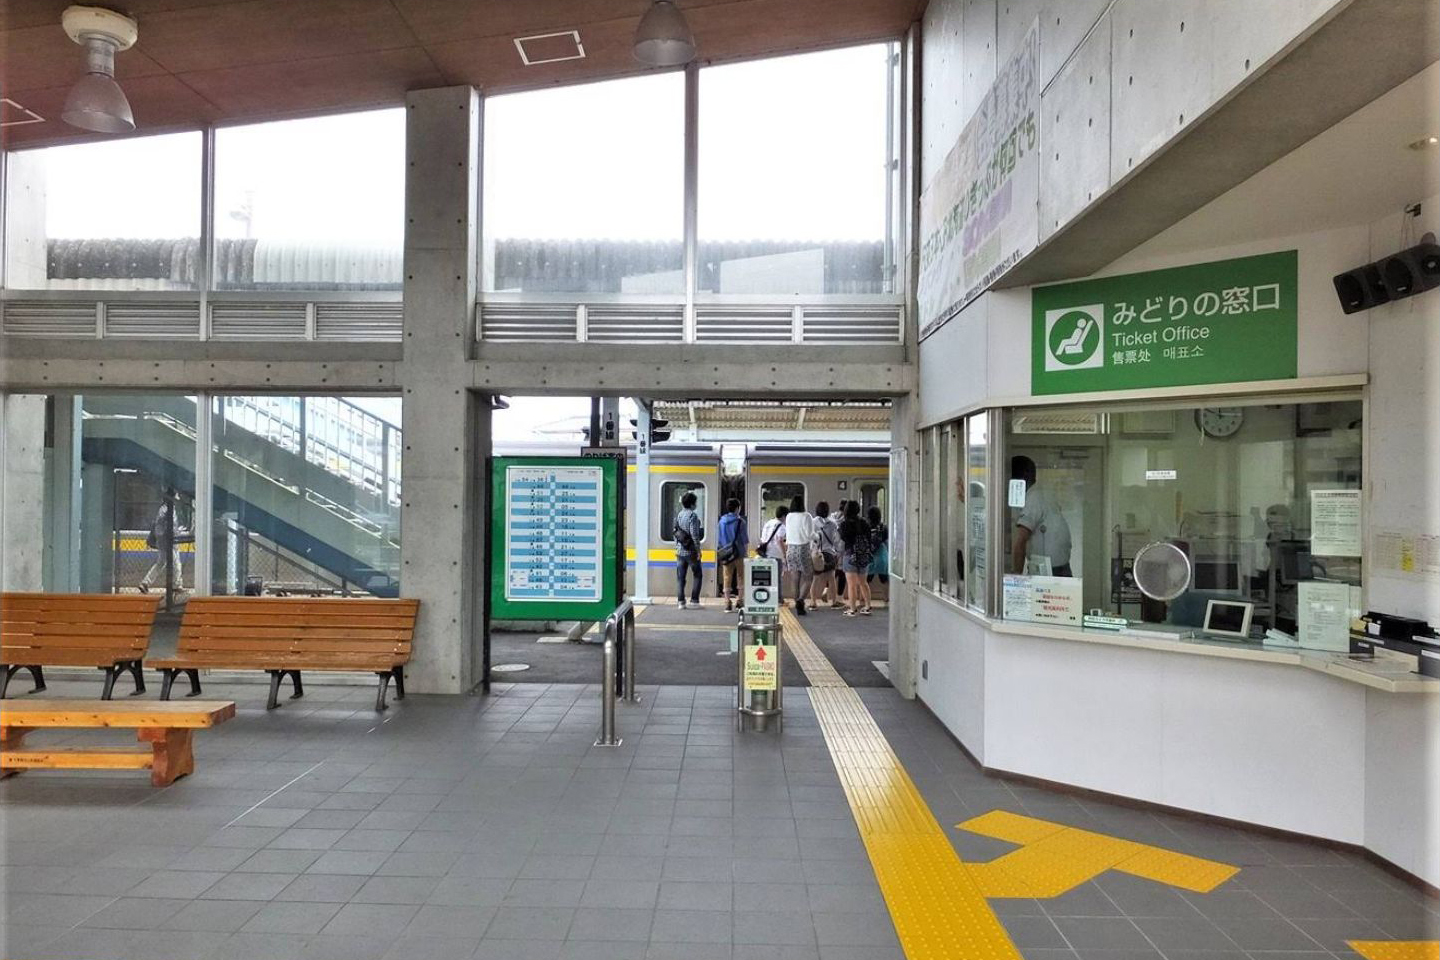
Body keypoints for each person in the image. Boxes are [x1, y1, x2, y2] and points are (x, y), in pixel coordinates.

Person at [1010, 455, 1072, 577]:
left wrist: (1016, 578)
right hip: (1059, 568)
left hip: (1050, 571)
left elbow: (1021, 541)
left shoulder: (1034, 498)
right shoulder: (1043, 494)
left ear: (1024, 476)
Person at [139, 489, 187, 594]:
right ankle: (177, 585)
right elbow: (170, 526)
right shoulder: (169, 510)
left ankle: (146, 582)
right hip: (168, 541)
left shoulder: (163, 508)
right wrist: (177, 532)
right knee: (176, 563)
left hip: (162, 540)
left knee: (161, 562)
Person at [783, 494, 817, 615]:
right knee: (808, 577)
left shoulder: (789, 516)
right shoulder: (806, 516)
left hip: (790, 549)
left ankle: (797, 602)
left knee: (795, 579)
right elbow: (810, 534)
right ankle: (801, 601)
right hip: (802, 549)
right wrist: (818, 536)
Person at [839, 500, 874, 616]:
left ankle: (852, 609)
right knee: (863, 583)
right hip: (863, 555)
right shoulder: (864, 523)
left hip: (850, 555)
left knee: (852, 585)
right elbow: (869, 538)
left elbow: (843, 539)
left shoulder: (844, 524)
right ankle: (867, 606)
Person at [716, 498, 748, 612]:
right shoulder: (741, 522)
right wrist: (746, 553)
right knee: (741, 576)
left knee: (727, 577)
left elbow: (719, 539)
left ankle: (727, 603)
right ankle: (740, 601)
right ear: (737, 508)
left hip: (726, 553)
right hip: (739, 553)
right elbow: (745, 540)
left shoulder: (721, 521)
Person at [673, 491, 704, 608]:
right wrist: (698, 551)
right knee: (697, 575)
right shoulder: (692, 516)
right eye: (695, 502)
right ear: (692, 504)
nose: (696, 505)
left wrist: (677, 547)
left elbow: (675, 533)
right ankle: (694, 601)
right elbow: (694, 535)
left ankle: (681, 602)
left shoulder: (679, 515)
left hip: (680, 551)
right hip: (691, 551)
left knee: (681, 578)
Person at [810, 500, 842, 608]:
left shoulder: (813, 522)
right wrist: (837, 552)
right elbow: (836, 540)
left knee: (815, 579)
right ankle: (833, 602)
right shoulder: (833, 523)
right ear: (828, 510)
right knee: (831, 579)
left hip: (817, 554)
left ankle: (813, 602)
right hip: (829, 553)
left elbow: (811, 539)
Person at [757, 505, 789, 605]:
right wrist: (784, 555)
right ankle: (779, 599)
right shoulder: (781, 526)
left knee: (768, 578)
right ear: (784, 516)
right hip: (775, 555)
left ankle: (767, 598)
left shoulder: (768, 523)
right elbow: (780, 540)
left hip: (765, 554)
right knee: (777, 578)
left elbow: (763, 539)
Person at [866, 505, 889, 588]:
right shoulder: (884, 527)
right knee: (884, 580)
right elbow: (886, 541)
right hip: (882, 556)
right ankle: (886, 596)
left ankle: (865, 596)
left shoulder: (866, 527)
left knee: (866, 581)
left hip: (870, 557)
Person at [831, 499, 849, 600]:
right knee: (842, 573)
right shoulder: (847, 520)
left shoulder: (832, 517)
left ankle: (827, 591)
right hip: (843, 548)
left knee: (832, 572)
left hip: (832, 547)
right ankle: (839, 597)